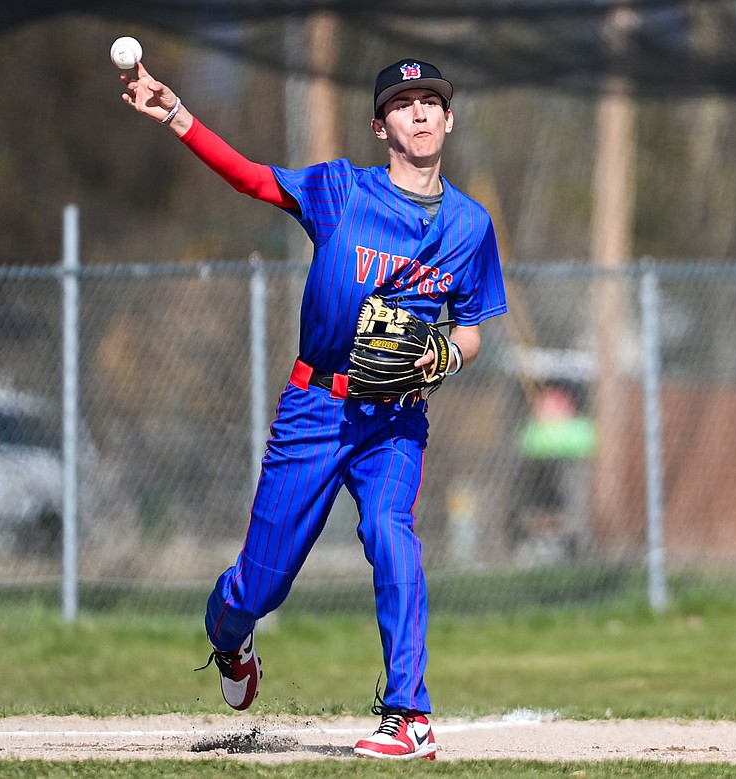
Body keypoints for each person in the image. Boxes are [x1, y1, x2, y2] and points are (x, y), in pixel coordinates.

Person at [121, 56, 507, 760]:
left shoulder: (471, 227)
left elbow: (473, 329)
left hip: (393, 418)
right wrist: (177, 114)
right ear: (380, 124)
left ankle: (408, 712)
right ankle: (230, 642)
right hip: (315, 408)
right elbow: (253, 178)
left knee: (391, 532)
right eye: (403, 103)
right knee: (257, 585)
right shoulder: (340, 191)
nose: (419, 112)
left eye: (431, 102)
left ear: (448, 118)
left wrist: (447, 355)